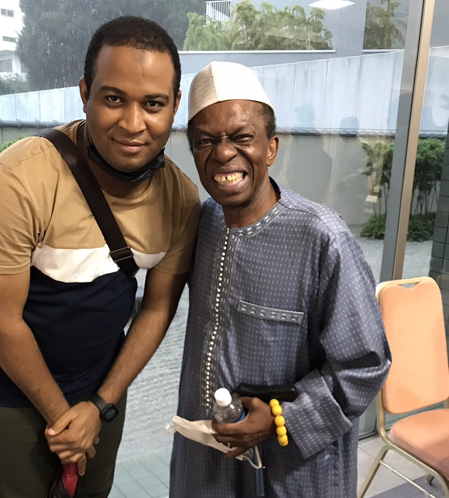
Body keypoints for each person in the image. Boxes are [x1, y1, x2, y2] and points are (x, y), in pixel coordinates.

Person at [0, 16, 199, 498]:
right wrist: (63, 417)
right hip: (8, 395)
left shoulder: (181, 199)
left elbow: (157, 308)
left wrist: (100, 405)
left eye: (153, 104)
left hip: (101, 392)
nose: (133, 123)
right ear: (85, 93)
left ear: (175, 105)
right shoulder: (17, 180)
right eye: (114, 99)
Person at [170, 62, 391, 497]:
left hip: (292, 470)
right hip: (207, 462)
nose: (223, 153)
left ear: (271, 148)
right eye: (206, 141)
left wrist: (280, 419)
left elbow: (365, 365)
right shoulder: (203, 223)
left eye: (241, 137)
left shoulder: (322, 237)